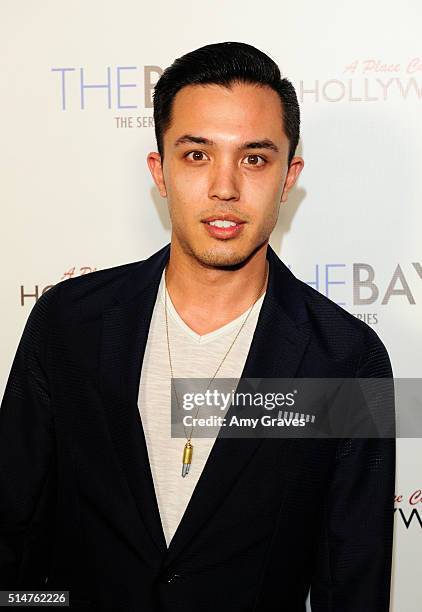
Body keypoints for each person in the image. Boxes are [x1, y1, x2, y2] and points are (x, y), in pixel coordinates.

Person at [0, 41, 395, 611]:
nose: (225, 188)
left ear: (289, 177)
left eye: (255, 158)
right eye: (197, 155)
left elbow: (352, 582)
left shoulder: (346, 360)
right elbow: (15, 531)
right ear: (159, 171)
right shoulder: (68, 324)